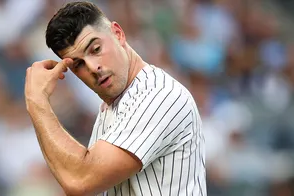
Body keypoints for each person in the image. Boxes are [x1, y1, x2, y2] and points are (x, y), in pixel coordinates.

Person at [24, 1, 206, 196]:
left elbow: (79, 181)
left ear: (118, 34)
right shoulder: (114, 106)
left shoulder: (158, 95)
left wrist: (37, 102)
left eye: (95, 49)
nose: (93, 67)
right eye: (78, 64)